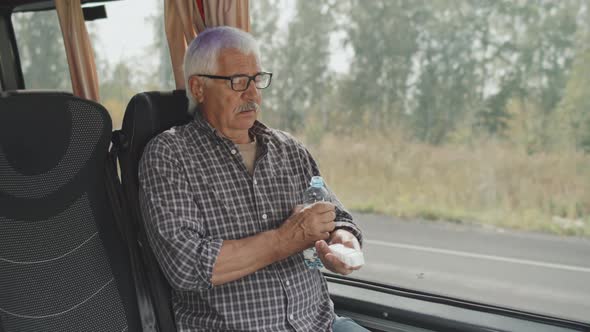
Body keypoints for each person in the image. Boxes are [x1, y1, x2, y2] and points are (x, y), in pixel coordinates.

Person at [139, 26, 367, 332]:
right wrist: (286, 239)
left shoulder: (289, 149)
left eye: (257, 79)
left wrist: (342, 241)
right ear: (198, 88)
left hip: (321, 324)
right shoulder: (169, 154)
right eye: (237, 81)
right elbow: (186, 265)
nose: (252, 93)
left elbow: (337, 217)